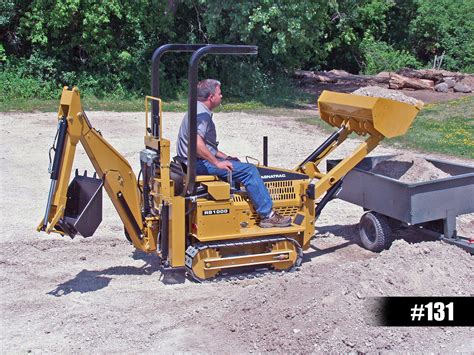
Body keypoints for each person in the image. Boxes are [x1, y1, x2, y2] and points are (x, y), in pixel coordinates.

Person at [176, 79, 292, 228]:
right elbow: (197, 144)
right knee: (250, 171)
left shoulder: (196, 109)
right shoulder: (202, 116)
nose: (221, 96)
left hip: (189, 162)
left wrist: (225, 157)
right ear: (211, 97)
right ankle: (267, 215)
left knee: (235, 163)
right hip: (197, 164)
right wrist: (217, 162)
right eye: (219, 93)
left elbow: (206, 146)